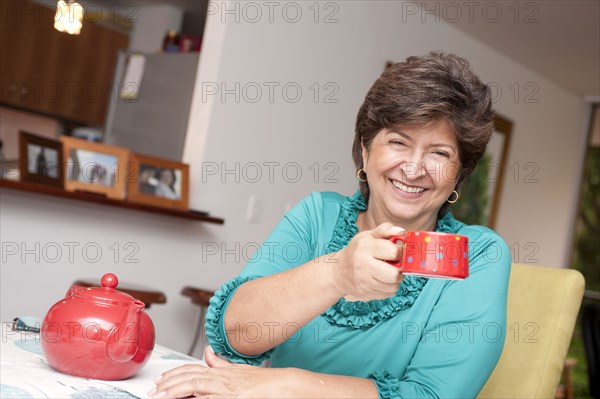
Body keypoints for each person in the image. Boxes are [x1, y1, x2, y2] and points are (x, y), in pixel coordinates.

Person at [148, 51, 511, 398]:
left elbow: (434, 396)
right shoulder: (317, 215)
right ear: (366, 150)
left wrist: (282, 387)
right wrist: (337, 273)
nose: (414, 169)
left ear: (459, 173)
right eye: (399, 142)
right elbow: (235, 335)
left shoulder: (476, 255)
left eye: (439, 153)